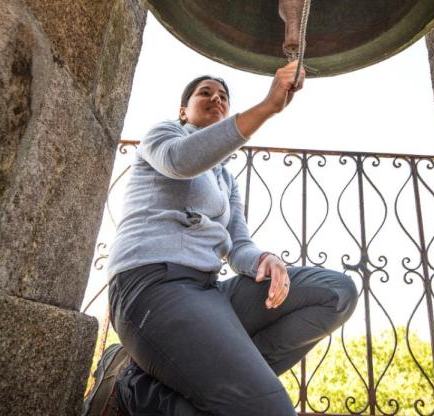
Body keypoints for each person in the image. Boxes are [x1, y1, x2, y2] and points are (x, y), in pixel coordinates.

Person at [86, 60, 358, 416]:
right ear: (184, 110)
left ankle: (170, 377)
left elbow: (238, 245)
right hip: (152, 287)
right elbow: (180, 161)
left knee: (337, 293)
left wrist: (264, 259)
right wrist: (266, 108)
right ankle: (132, 389)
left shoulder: (226, 180)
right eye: (205, 93)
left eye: (223, 97)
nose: (216, 99)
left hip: (209, 292)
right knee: (267, 410)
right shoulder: (164, 134)